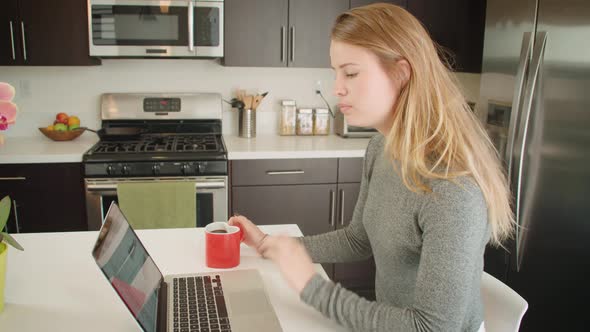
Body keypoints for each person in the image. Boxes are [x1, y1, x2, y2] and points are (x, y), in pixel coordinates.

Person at [229, 3, 514, 331]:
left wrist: (311, 287)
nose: (337, 87)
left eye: (350, 72)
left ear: (401, 73)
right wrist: (269, 244)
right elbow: (357, 239)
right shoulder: (382, 146)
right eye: (336, 72)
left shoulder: (452, 187)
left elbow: (432, 327)